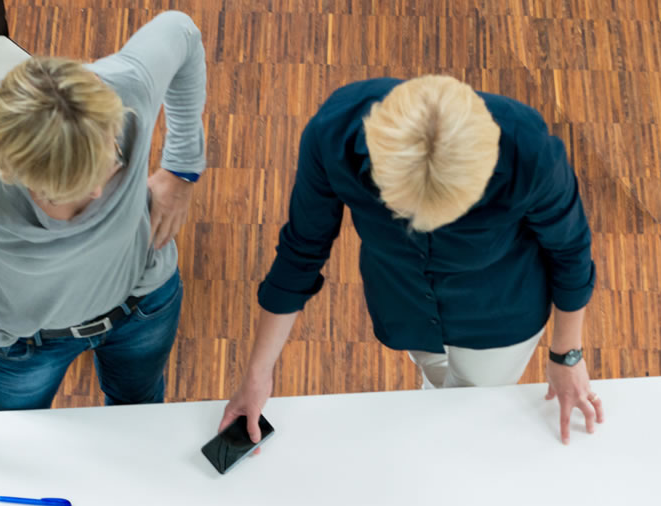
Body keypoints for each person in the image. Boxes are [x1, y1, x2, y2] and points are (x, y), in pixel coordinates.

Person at [221, 75, 603, 446]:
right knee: (435, 383)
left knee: (466, 409)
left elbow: (570, 250)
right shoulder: (332, 132)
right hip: (402, 307)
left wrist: (566, 355)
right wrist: (257, 373)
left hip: (498, 321)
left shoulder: (530, 152)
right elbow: (301, 251)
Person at [0, 11, 206, 456]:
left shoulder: (126, 88)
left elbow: (181, 31)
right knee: (8, 452)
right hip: (23, 347)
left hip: (143, 307)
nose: (104, 190)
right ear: (17, 176)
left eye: (112, 163)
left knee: (138, 434)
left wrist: (182, 167)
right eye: (80, 189)